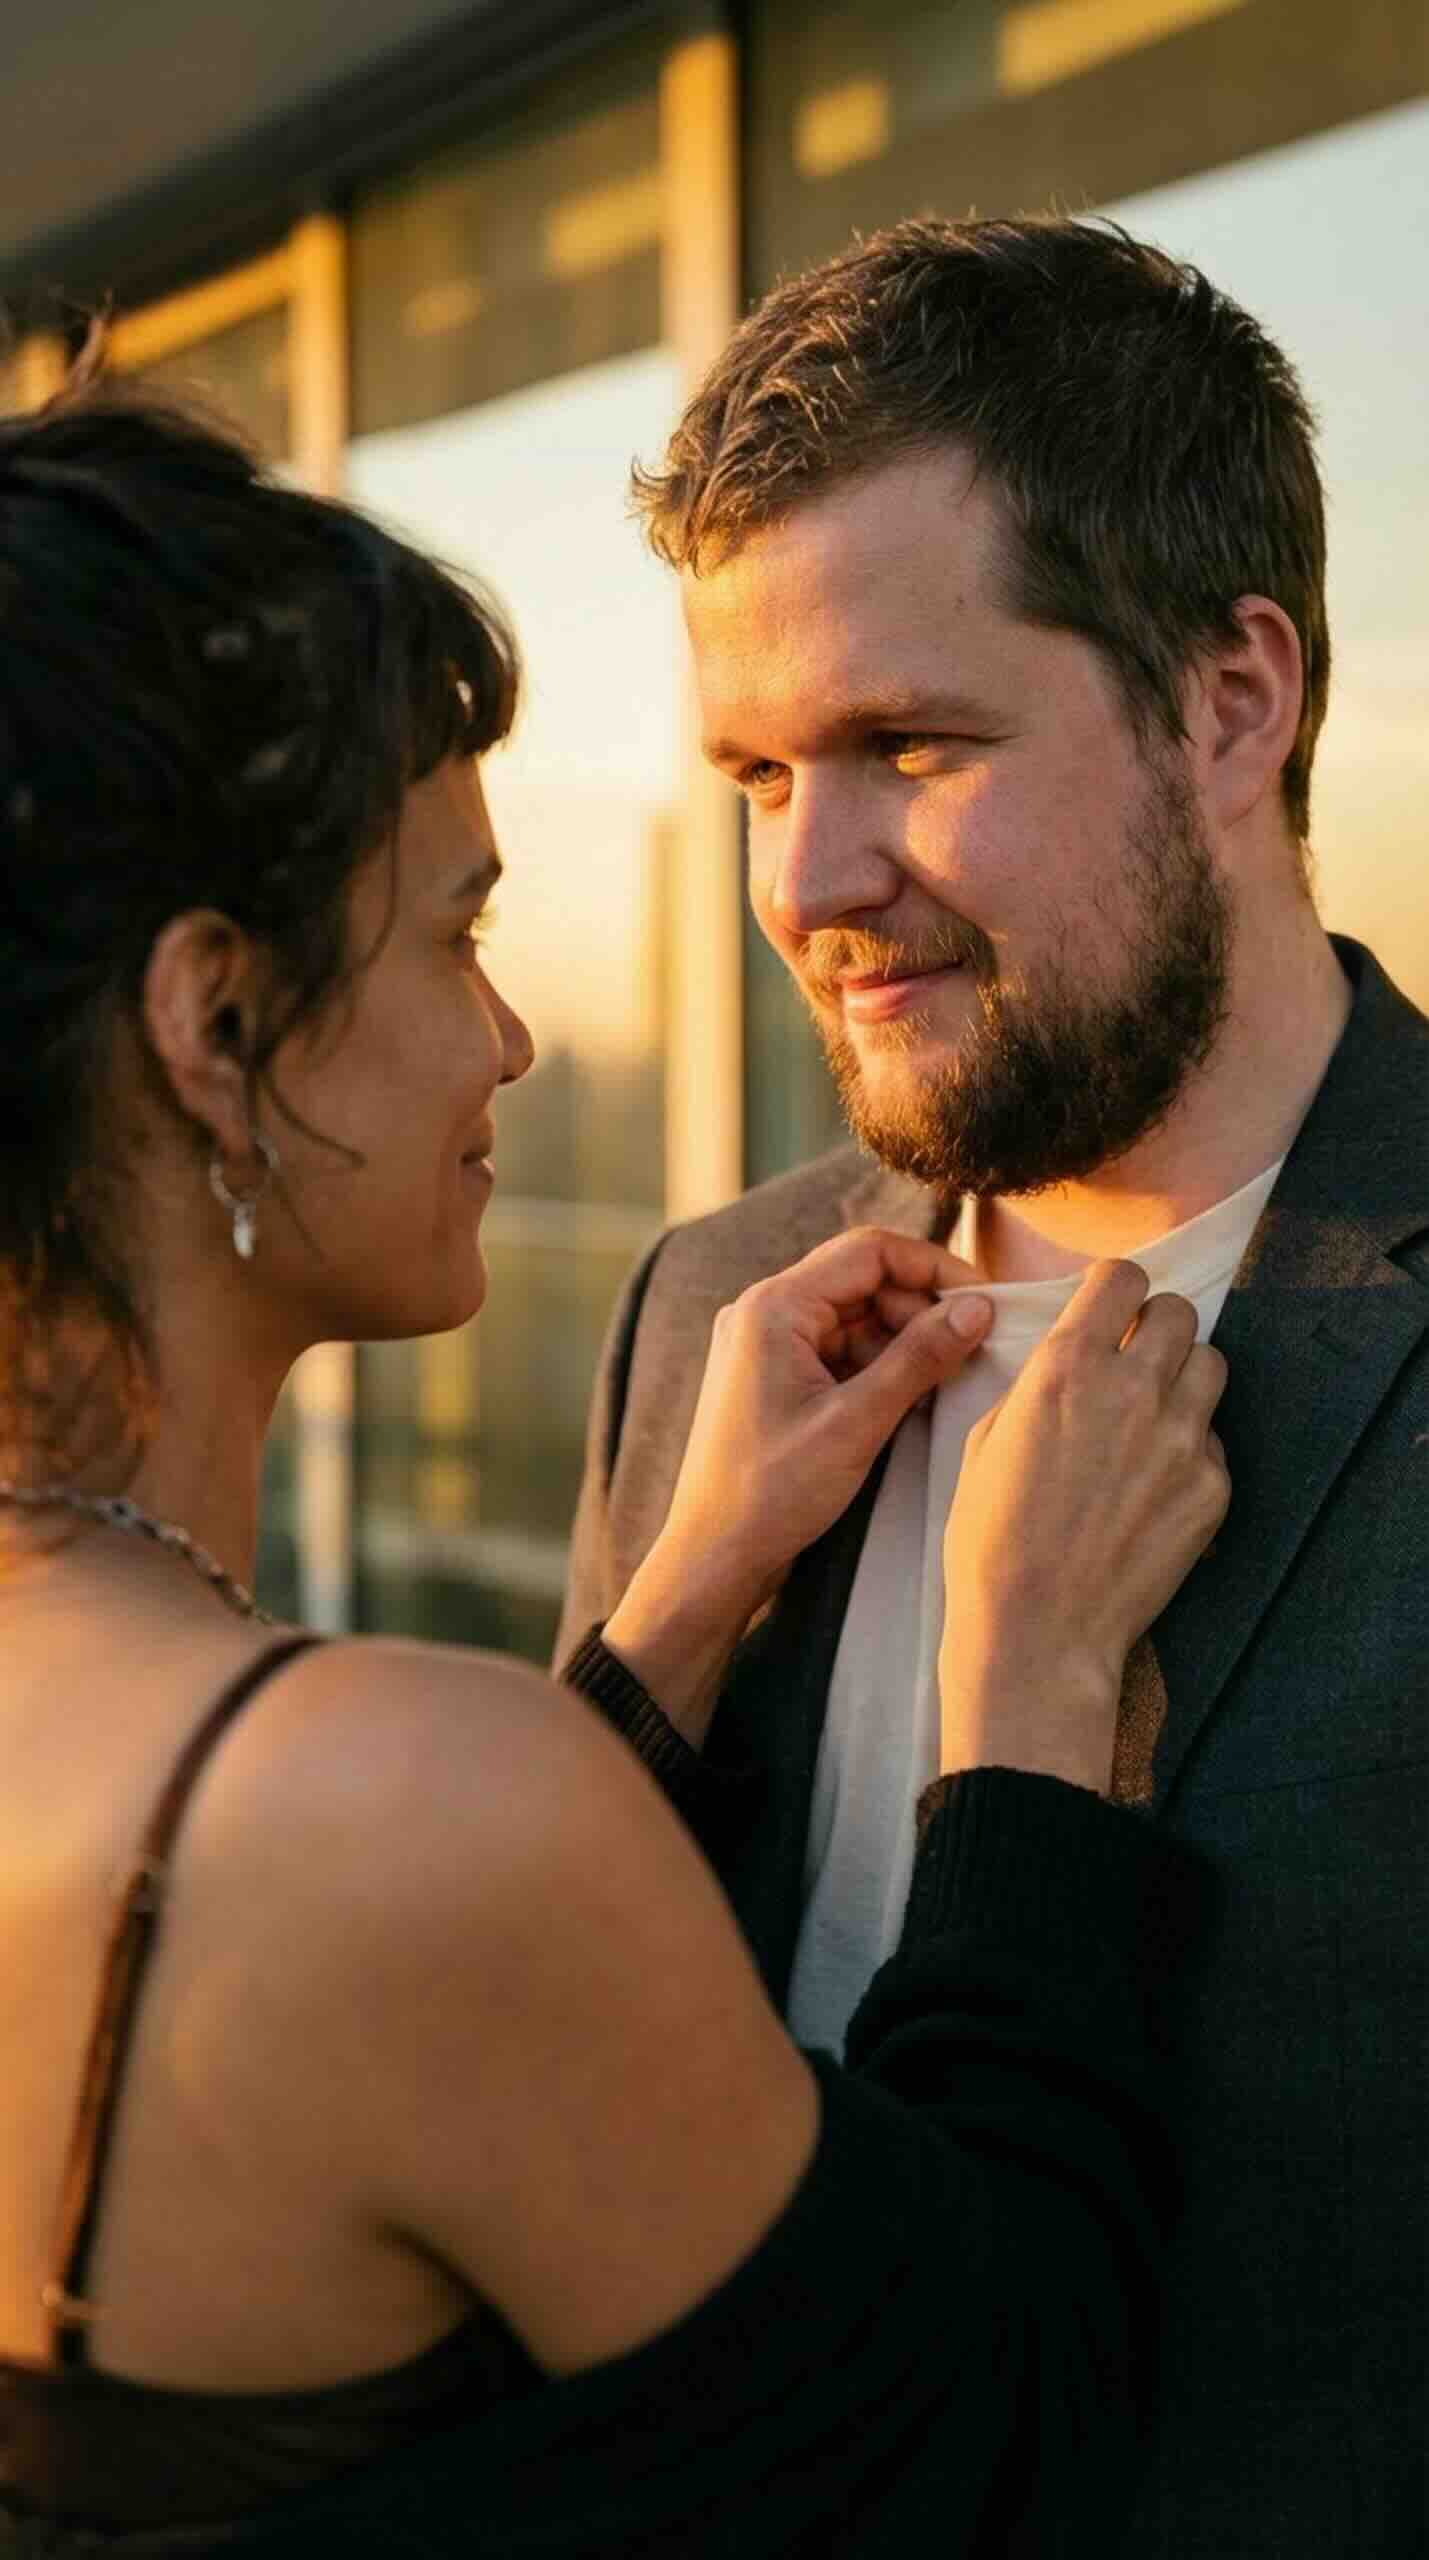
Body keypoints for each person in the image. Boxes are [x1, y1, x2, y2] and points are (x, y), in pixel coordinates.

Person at [0, 367, 1229, 2555]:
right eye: (456, 929)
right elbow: (987, 2425)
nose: (511, 1031)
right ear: (208, 1027)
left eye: (909, 743)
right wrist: (1030, 1725)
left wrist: (666, 1615)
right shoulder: (403, 1796)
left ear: (1234, 704)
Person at [558, 213, 1429, 2558]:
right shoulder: (710, 1303)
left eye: (908, 742)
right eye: (752, 770)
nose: (807, 881)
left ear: (1233, 702)